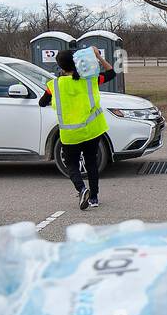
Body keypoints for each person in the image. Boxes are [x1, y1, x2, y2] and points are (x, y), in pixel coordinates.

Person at [39, 47, 116, 210]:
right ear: (77, 63)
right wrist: (98, 57)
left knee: (71, 164)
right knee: (91, 164)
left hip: (69, 133)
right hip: (92, 130)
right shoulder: (90, 79)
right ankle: (94, 198)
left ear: (60, 67)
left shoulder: (54, 86)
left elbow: (42, 102)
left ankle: (82, 189)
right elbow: (111, 73)